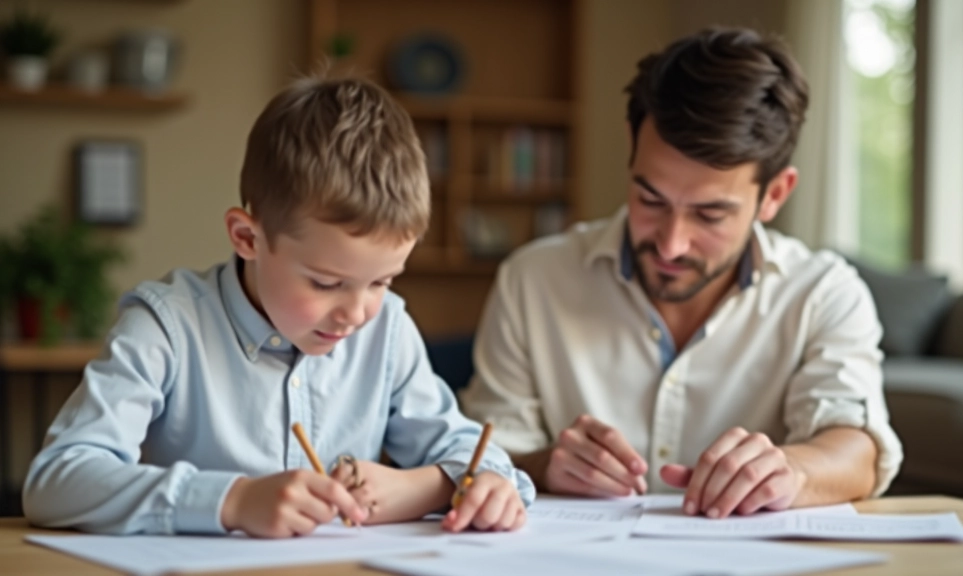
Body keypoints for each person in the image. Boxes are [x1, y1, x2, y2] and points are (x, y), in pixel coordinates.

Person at [23, 76, 533, 537]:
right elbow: (57, 481)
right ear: (248, 237)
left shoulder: (389, 330)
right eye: (326, 283)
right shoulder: (165, 328)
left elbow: (478, 459)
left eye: (381, 281)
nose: (357, 313)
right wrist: (232, 501)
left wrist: (435, 487)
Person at [461, 27, 902, 519]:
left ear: (775, 194)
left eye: (710, 215)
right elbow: (481, 452)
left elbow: (857, 450)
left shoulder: (823, 293)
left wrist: (791, 472)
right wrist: (544, 466)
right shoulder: (533, 280)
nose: (671, 244)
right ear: (632, 146)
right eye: (651, 199)